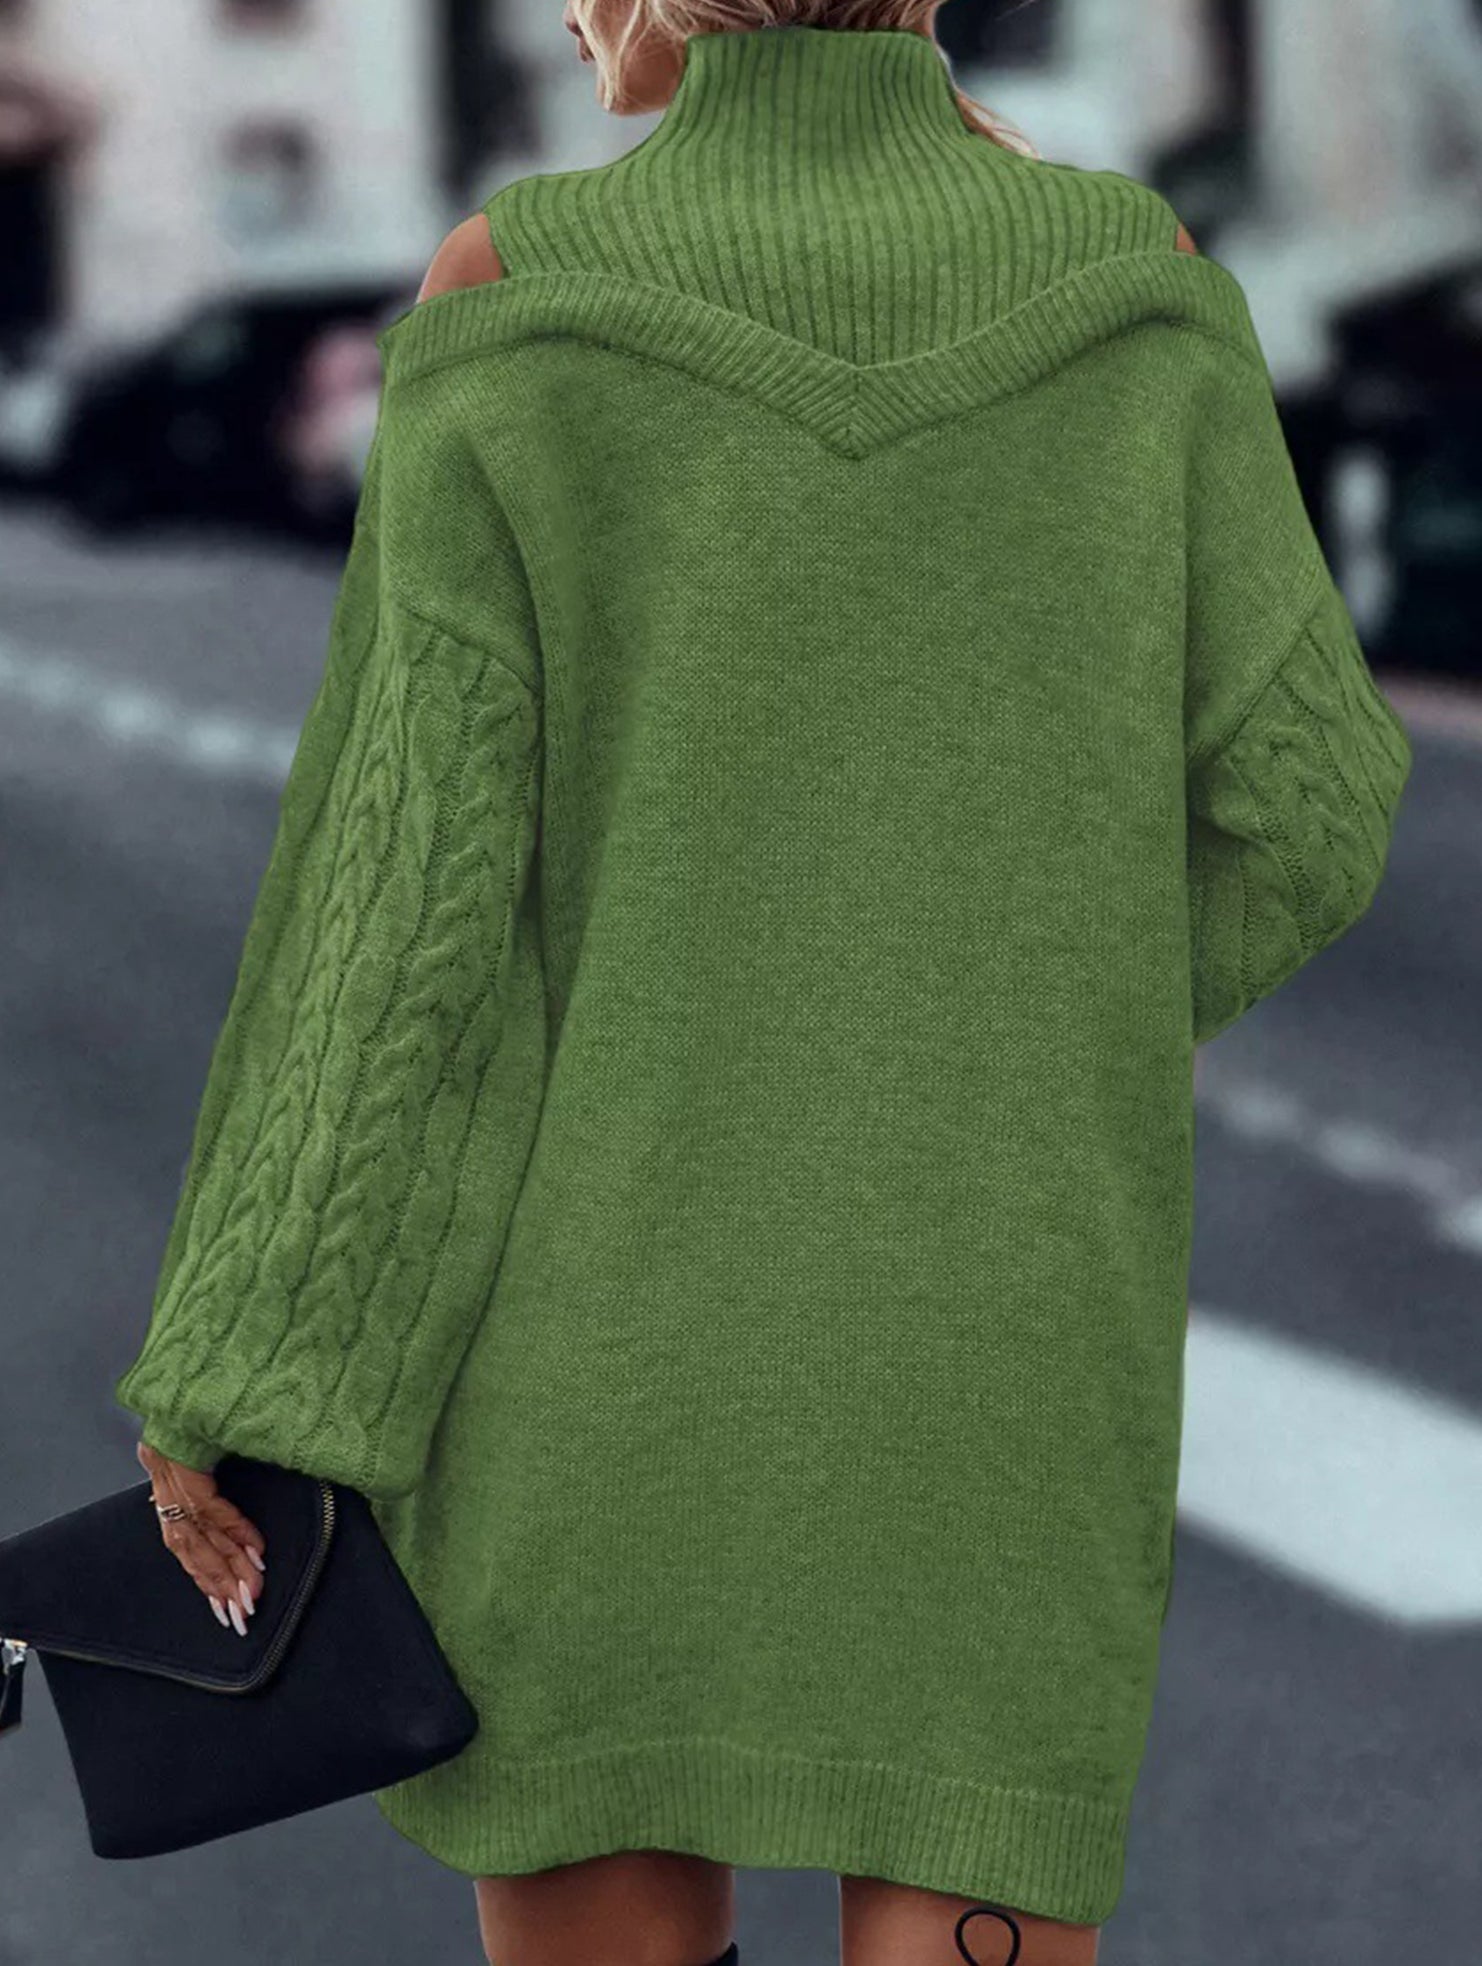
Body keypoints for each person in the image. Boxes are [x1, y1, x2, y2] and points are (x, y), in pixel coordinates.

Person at [121, 3, 1412, 1964]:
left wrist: (244, 1364)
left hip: (588, 1359)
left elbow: (403, 923)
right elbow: (1309, 808)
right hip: (1002, 1351)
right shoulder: (1137, 285)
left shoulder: (514, 290)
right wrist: (1023, 1015)